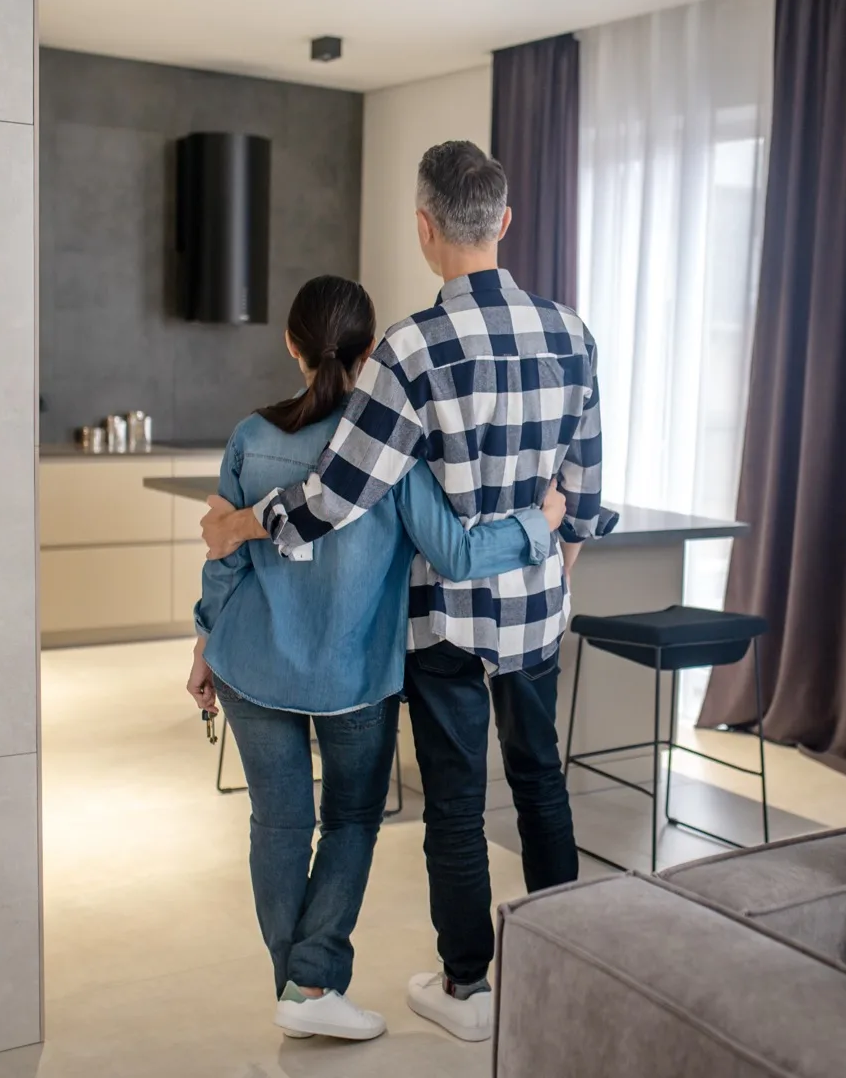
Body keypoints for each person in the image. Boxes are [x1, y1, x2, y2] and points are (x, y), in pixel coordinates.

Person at [201, 140, 616, 1042]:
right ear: (502, 223)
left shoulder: (409, 352)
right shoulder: (573, 334)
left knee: (458, 807)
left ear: (424, 229)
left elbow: (337, 497)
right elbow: (578, 489)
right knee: (543, 786)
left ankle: (468, 989)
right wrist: (552, 562)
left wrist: (245, 524)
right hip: (537, 611)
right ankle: (573, 971)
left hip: (446, 625)